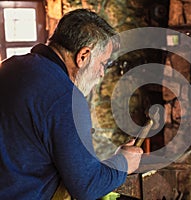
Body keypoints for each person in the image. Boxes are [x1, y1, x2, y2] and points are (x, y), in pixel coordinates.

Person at [0, 9, 143, 199]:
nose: (102, 74)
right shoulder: (65, 98)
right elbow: (87, 187)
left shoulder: (11, 66)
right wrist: (124, 163)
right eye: (103, 64)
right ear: (83, 56)